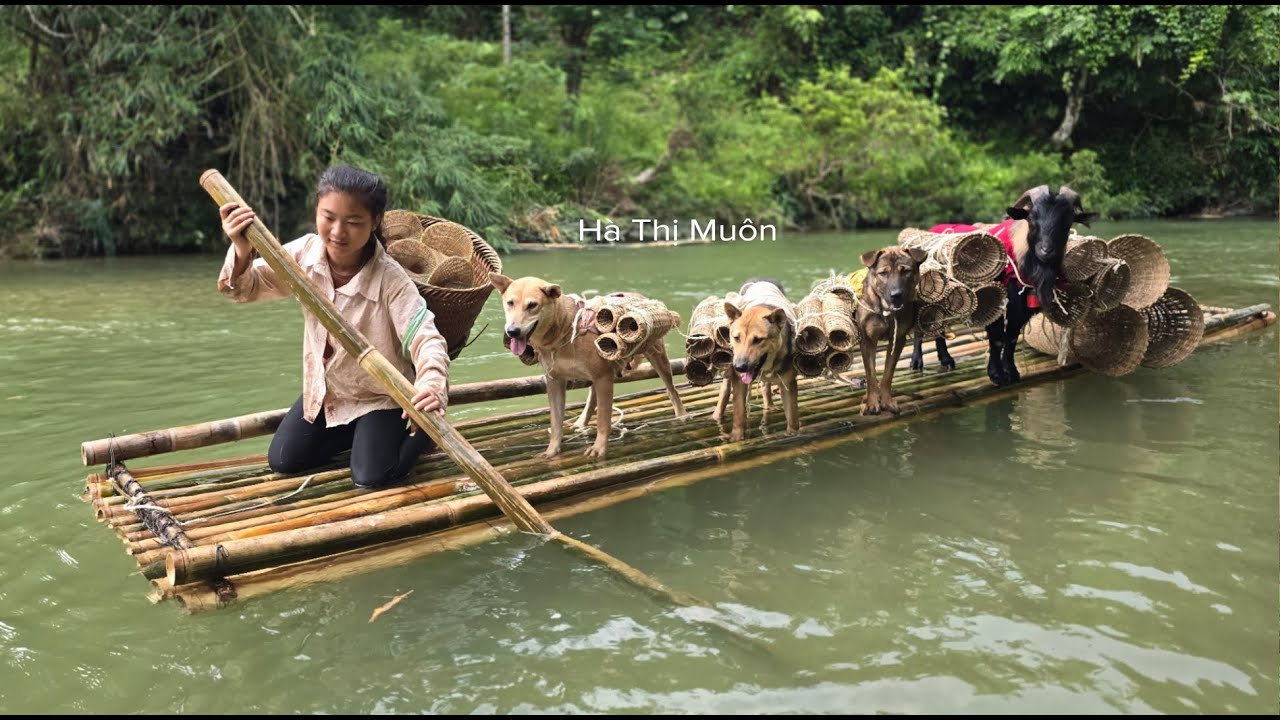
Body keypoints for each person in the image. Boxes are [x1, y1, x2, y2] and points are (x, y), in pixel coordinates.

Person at [217, 164, 450, 488]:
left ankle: (421, 432)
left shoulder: (390, 279)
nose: (338, 232)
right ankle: (362, 438)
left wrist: (430, 387)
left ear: (375, 222)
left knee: (371, 478)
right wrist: (242, 248)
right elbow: (243, 288)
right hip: (328, 391)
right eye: (329, 217)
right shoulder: (303, 254)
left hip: (380, 396)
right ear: (317, 212)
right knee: (284, 461)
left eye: (354, 222)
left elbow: (426, 338)